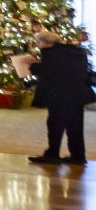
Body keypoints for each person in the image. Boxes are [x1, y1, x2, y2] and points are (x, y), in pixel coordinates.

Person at [29, 30, 93, 165]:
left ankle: (52, 155)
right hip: (77, 94)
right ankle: (78, 156)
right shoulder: (76, 52)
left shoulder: (51, 54)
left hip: (59, 95)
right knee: (75, 126)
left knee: (55, 125)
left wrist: (33, 66)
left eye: (38, 42)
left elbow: (47, 71)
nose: (37, 45)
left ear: (47, 42)